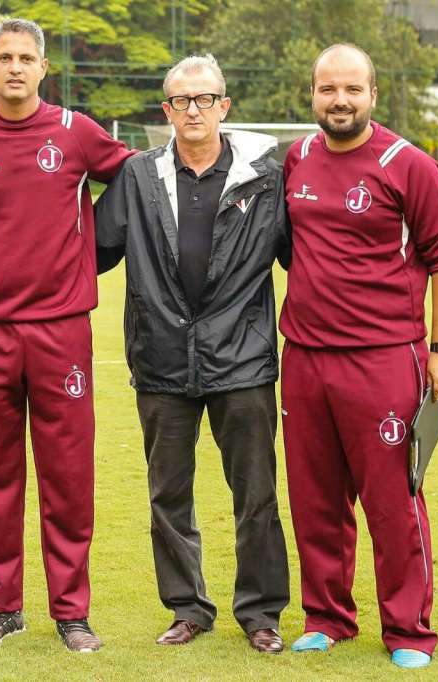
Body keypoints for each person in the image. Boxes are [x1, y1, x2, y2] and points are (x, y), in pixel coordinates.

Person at [0, 18, 132, 653]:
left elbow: (131, 183)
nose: (16, 67)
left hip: (61, 330)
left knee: (68, 473)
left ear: (43, 67)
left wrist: (92, 255)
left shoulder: (78, 133)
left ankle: (71, 612)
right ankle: (1, 608)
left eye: (27, 57)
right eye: (5, 57)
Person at [94, 54, 291, 654]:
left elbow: (309, 257)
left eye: (204, 99)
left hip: (244, 361)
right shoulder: (138, 176)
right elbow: (91, 249)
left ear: (224, 106)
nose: (193, 110)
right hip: (161, 360)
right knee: (168, 496)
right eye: (181, 101)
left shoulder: (265, 178)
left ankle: (260, 614)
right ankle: (188, 608)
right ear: (167, 110)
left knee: (255, 494)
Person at [280, 44, 438, 669]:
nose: (340, 101)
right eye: (328, 89)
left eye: (352, 90)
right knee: (315, 499)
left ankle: (409, 631)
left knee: (392, 499)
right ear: (312, 94)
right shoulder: (298, 157)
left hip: (384, 358)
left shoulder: (406, 165)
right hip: (305, 357)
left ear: (373, 94)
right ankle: (327, 618)